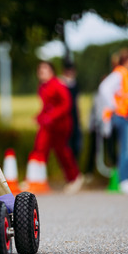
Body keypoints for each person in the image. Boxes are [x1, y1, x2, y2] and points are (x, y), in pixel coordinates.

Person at [29, 61, 82, 194]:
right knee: (40, 148)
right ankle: (36, 178)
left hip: (61, 125)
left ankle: (75, 178)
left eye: (44, 69)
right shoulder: (42, 87)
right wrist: (40, 117)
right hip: (48, 124)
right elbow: (47, 106)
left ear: (51, 71)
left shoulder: (58, 84)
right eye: (40, 70)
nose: (41, 72)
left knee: (62, 152)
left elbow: (66, 104)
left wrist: (50, 116)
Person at [98, 48, 128, 195]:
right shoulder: (119, 74)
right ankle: (124, 180)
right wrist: (114, 106)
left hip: (127, 116)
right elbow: (104, 88)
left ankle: (126, 179)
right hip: (122, 116)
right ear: (127, 60)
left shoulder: (125, 75)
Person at [59, 58, 82, 160]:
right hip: (65, 117)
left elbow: (77, 102)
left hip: (74, 117)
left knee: (76, 145)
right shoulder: (61, 84)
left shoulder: (75, 84)